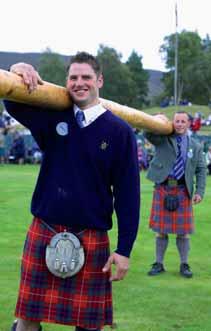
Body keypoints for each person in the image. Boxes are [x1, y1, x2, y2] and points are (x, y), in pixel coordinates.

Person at [4, 52, 140, 331]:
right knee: (27, 319)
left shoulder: (119, 131)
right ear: (66, 82)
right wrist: (18, 70)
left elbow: (128, 195)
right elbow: (14, 102)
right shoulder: (53, 116)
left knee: (89, 325)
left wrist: (124, 249)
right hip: (45, 228)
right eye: (73, 77)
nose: (79, 83)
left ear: (99, 80)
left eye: (86, 77)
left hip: (91, 236)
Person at [144, 111, 206, 278]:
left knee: (183, 232)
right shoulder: (163, 138)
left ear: (188, 124)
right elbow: (147, 133)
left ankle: (184, 264)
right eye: (177, 121)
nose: (179, 124)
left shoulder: (196, 145)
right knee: (160, 230)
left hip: (182, 190)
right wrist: (158, 120)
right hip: (163, 187)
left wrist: (199, 191)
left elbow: (201, 170)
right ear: (173, 122)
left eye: (182, 121)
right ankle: (159, 263)